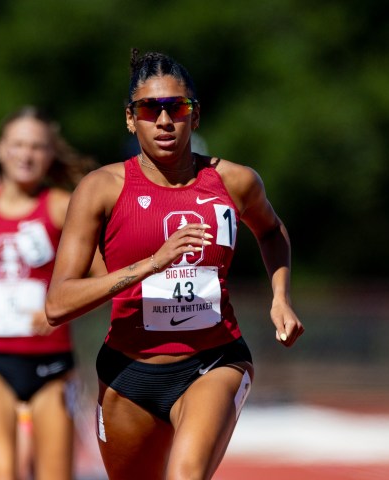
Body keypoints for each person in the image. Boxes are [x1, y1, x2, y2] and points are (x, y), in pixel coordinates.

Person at [45, 49, 305, 480]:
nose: (164, 121)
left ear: (195, 116)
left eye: (176, 108)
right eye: (150, 109)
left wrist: (281, 296)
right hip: (128, 373)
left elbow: (271, 231)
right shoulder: (101, 189)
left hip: (213, 360)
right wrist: (151, 264)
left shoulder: (234, 181)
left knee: (185, 475)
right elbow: (57, 304)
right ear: (131, 119)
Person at [0, 106, 99, 480]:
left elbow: (104, 277)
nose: (26, 155)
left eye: (37, 147)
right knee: (1, 474)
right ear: (0, 149)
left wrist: (60, 311)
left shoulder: (62, 207)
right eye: (18, 145)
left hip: (52, 367)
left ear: (49, 154)